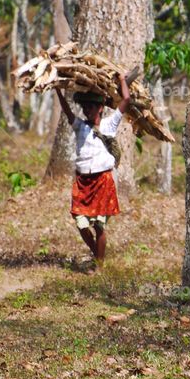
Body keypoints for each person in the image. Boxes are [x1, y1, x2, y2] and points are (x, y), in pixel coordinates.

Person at [55, 73, 130, 270]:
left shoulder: (109, 125)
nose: (87, 110)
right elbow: (66, 110)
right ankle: (97, 255)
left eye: (91, 106)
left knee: (99, 225)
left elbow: (126, 100)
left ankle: (99, 266)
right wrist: (58, 90)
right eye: (85, 107)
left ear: (100, 108)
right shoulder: (79, 126)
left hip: (102, 180)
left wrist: (122, 79)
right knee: (81, 223)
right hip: (82, 182)